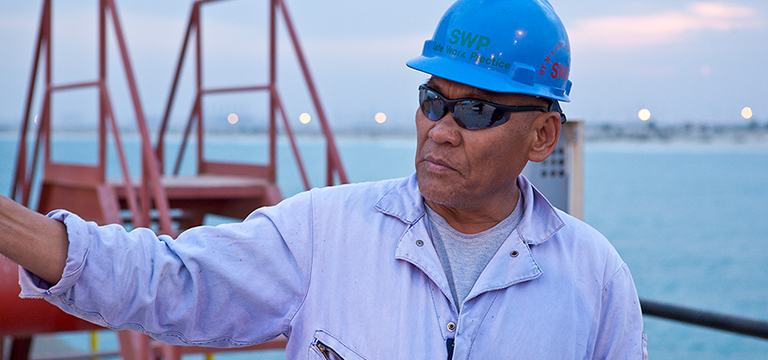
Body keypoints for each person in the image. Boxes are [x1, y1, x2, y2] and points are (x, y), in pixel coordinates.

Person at [1, 0, 646, 358]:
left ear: (541, 137)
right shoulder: (325, 233)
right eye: (432, 100)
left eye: (476, 109)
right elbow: (170, 281)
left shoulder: (594, 279)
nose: (441, 129)